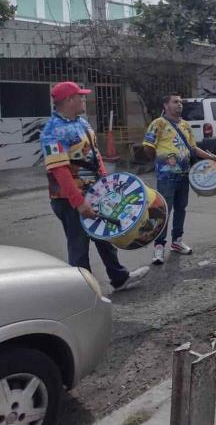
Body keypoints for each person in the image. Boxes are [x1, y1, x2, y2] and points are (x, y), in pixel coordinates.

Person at [41, 81, 149, 291]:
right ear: (70, 100)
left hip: (93, 193)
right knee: (79, 247)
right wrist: (79, 203)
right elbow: (60, 172)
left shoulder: (81, 123)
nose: (84, 100)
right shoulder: (53, 131)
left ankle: (119, 278)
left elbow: (95, 156)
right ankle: (83, 291)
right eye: (80, 96)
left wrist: (106, 184)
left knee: (104, 238)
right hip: (70, 199)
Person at [143, 93, 216, 265]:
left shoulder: (185, 125)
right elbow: (148, 147)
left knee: (181, 208)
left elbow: (193, 149)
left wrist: (211, 157)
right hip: (166, 177)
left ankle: (177, 241)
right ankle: (158, 246)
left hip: (184, 175)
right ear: (166, 105)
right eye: (175, 102)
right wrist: (160, 160)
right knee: (164, 211)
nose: (179, 105)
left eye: (180, 102)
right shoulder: (159, 123)